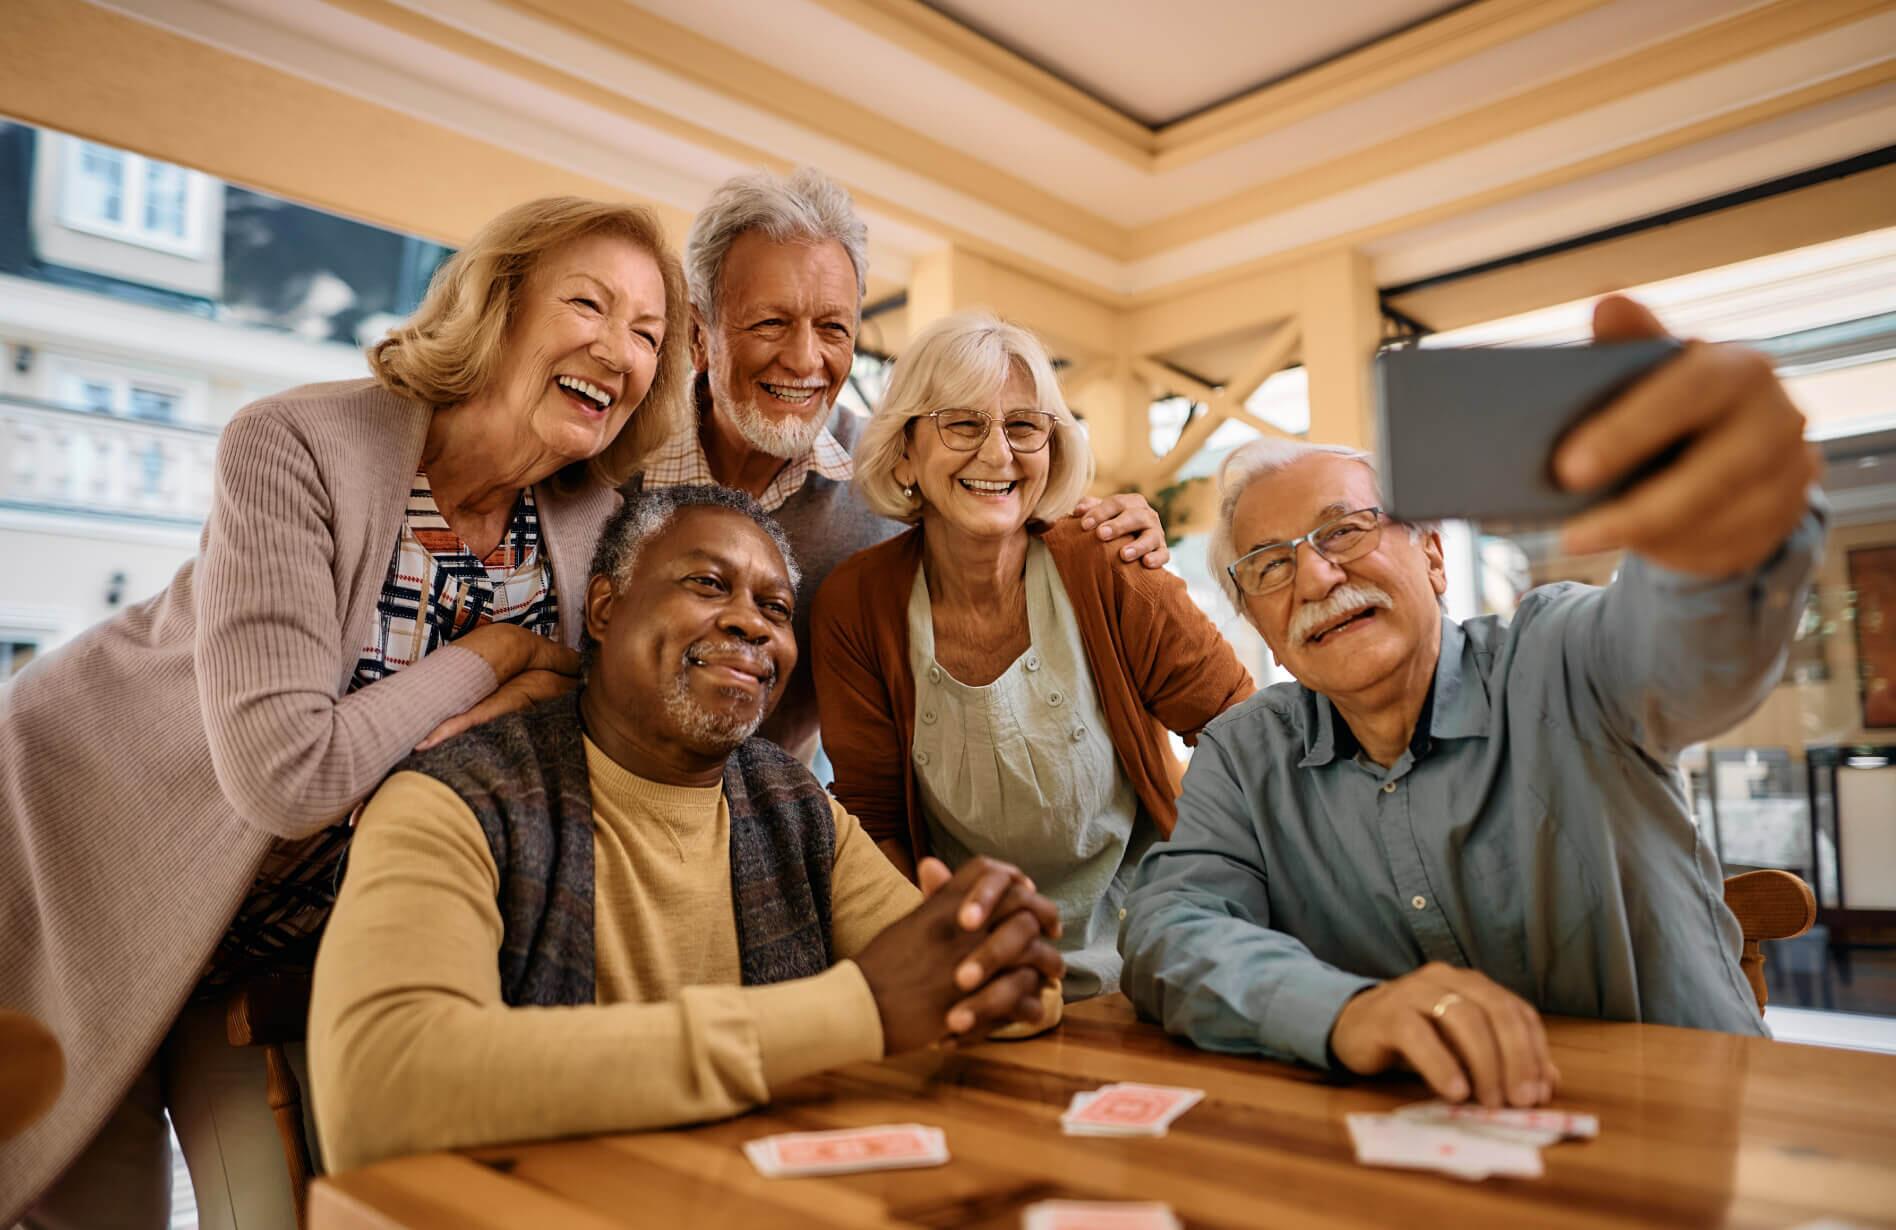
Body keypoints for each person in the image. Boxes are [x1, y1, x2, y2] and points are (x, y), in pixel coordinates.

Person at [1, 197, 692, 1229]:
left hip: (291, 944)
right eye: (588, 304)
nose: (619, 349)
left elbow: (574, 754)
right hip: (96, 852)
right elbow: (289, 773)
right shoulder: (296, 443)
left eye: (647, 332)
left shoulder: (592, 528)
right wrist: (495, 656)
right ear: (497, 308)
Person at [1120, 295, 1823, 1111]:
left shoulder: (1562, 657)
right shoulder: (1246, 756)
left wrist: (1728, 532)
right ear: (1265, 633)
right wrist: (1343, 1011)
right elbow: (1169, 930)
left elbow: (1691, 651)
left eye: (1343, 530)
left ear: (1432, 556)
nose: (1314, 578)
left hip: (1674, 1131)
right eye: (1270, 567)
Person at [308, 486, 1063, 1170]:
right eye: (708, 583)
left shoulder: (793, 804)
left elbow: (961, 990)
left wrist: (1003, 953)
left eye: (775, 609)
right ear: (604, 609)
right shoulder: (454, 800)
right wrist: (855, 1011)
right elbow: (384, 1087)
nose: (750, 623)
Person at [631, 167, 1171, 758]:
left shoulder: (896, 470)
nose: (805, 358)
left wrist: (1114, 529)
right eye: (771, 322)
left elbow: (1007, 517)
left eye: (833, 327)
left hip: (775, 814)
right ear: (697, 334)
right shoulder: (611, 459)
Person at [812, 313, 1254, 1004]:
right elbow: (875, 823)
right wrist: (940, 961)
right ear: (904, 452)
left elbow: (1243, 735)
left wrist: (1193, 894)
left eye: (1024, 426)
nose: (999, 456)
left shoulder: (1108, 560)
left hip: (1152, 961)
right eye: (962, 424)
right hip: (977, 974)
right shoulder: (855, 603)